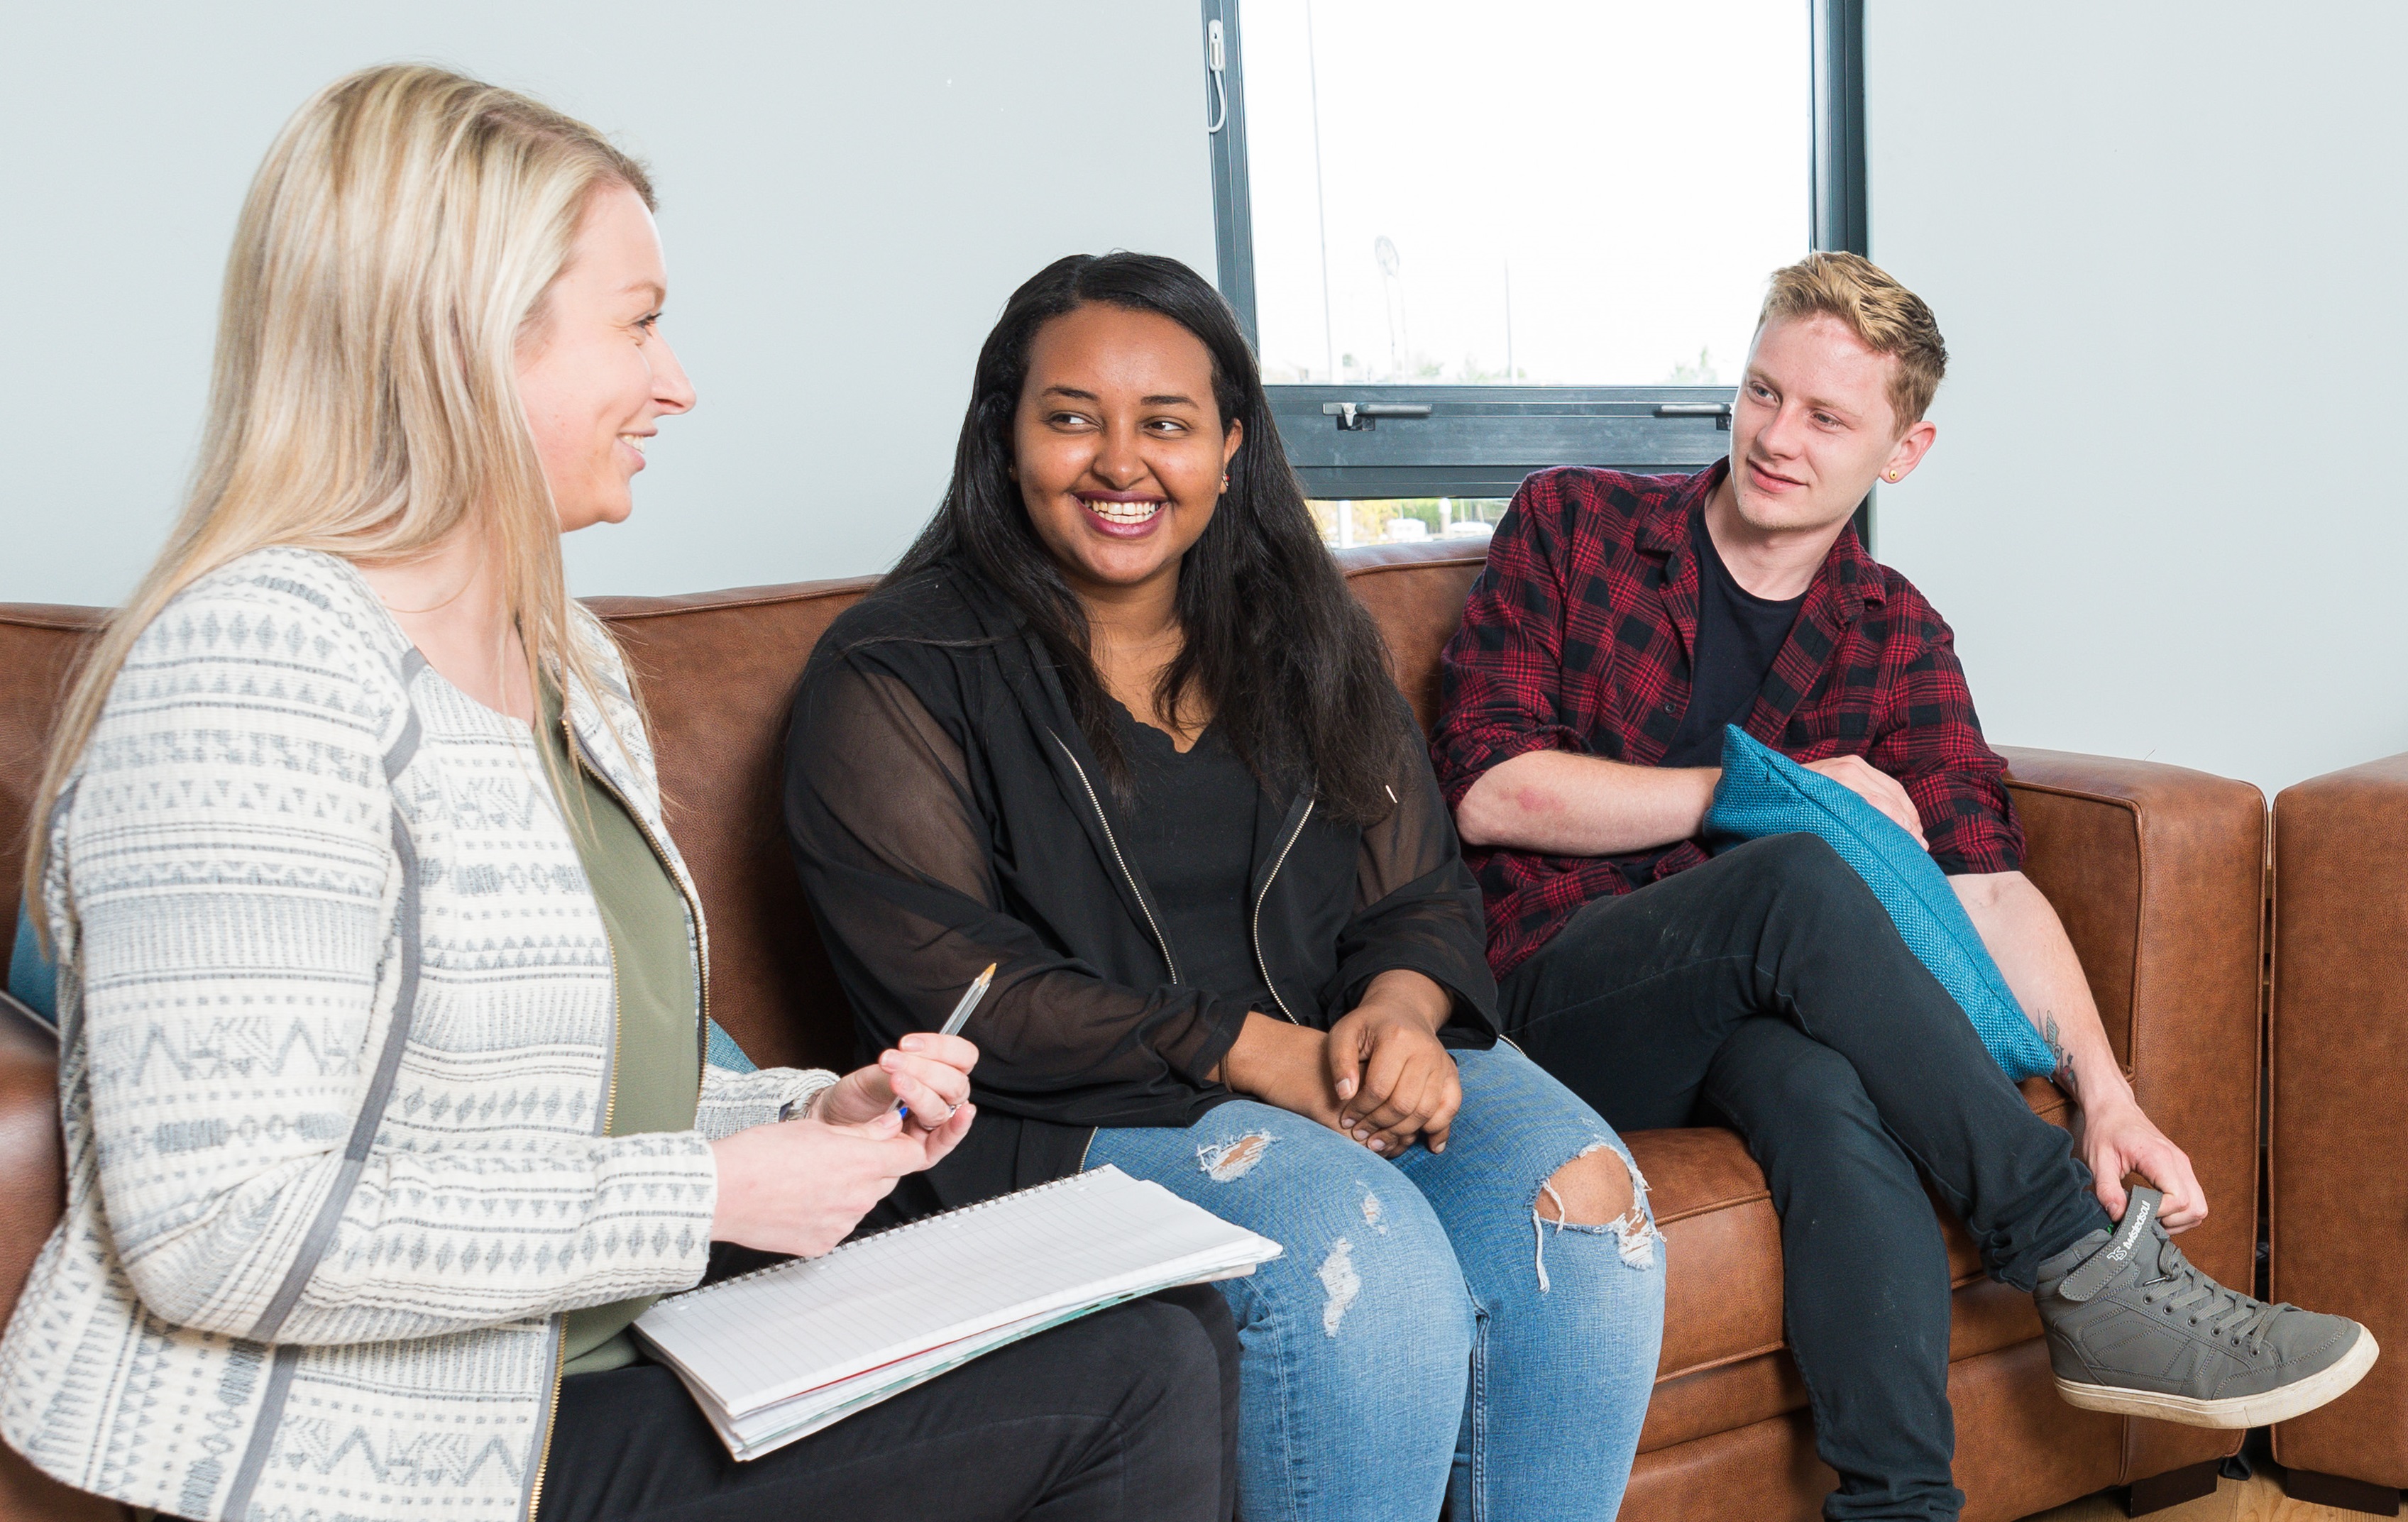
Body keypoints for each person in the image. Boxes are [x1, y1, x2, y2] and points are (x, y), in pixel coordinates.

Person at [1, 66, 1235, 1522]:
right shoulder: (250, 671)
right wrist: (711, 1198)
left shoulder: (559, 655)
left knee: (1162, 1328)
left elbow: (567, 1085)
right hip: (385, 1458)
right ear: (466, 341)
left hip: (584, 1362)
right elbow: (215, 1228)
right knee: (1133, 1379)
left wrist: (808, 1114)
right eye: (639, 323)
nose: (679, 381)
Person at [1431, 250, 2373, 1521]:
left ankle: (1899, 1507)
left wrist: (2104, 1094)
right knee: (1798, 867)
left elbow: (1985, 883)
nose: (1776, 437)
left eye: (1825, 416)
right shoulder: (1573, 524)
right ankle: (2083, 1266)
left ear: (1903, 448)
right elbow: (1490, 786)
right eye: (1762, 393)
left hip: (1750, 1023)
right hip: (1555, 998)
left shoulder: (1894, 631)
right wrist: (1763, 787)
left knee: (1821, 1088)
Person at [783, 251, 1666, 1521]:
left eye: (1167, 424)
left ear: (1233, 444)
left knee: (1585, 1208)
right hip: (1069, 1112)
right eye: (1072, 416)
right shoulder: (895, 671)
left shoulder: (1309, 634)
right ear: (1004, 430)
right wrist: (1256, 1054)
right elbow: (959, 991)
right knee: (1362, 1252)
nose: (1120, 462)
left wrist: (1406, 1012)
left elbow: (1415, 890)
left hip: (1327, 1054)